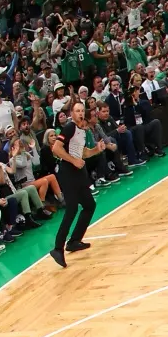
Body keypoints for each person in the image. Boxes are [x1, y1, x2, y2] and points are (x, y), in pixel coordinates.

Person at [47, 102, 105, 268]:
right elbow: (56, 149)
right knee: (72, 209)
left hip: (78, 171)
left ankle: (74, 241)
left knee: (89, 205)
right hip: (68, 172)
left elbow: (83, 152)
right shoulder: (69, 128)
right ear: (72, 114)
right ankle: (58, 248)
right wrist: (73, 160)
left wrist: (97, 150)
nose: (80, 113)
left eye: (82, 110)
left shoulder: (82, 130)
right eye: (77, 111)